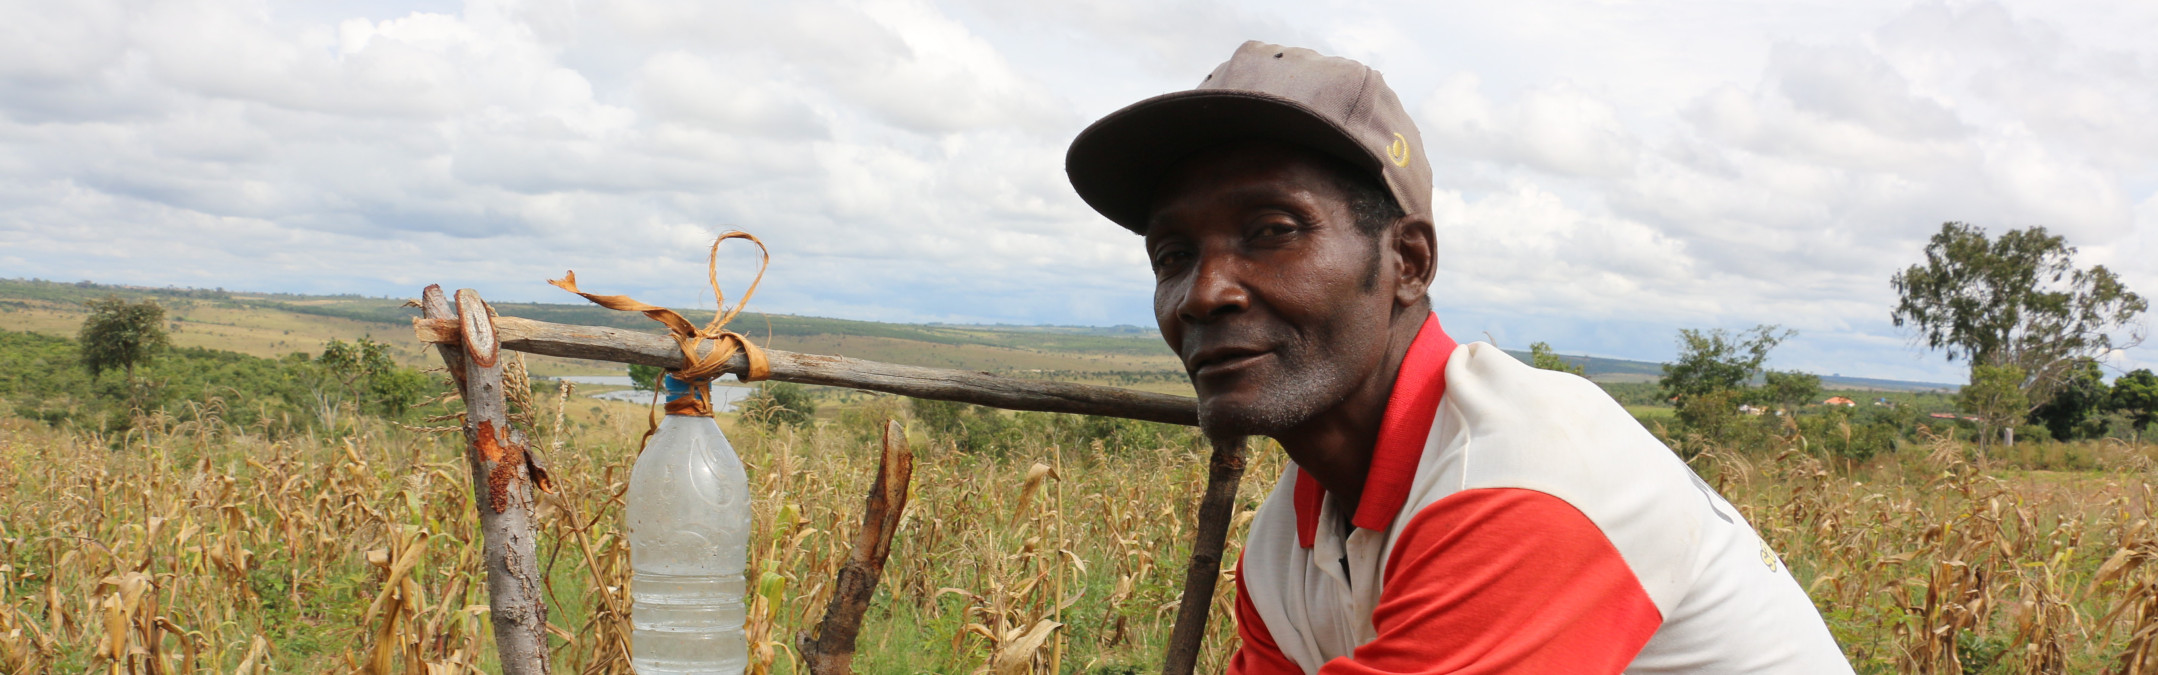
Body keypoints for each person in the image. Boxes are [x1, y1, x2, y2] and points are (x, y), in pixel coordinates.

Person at [1064, 41, 1854, 674]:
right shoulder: (1282, 555)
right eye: (1171, 254)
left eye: (1272, 230)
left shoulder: (1527, 476)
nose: (1203, 293)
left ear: (1407, 261)